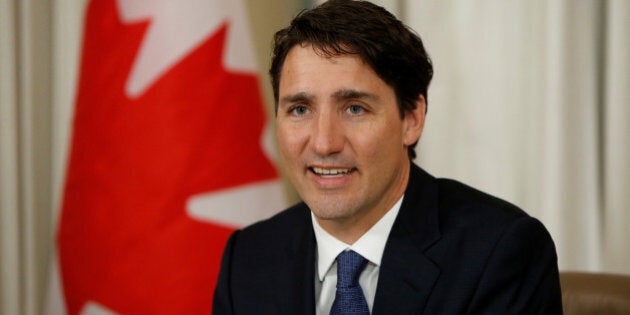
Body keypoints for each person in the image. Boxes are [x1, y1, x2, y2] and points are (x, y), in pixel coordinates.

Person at [213, 0, 563, 314]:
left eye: (354, 108)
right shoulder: (248, 259)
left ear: (411, 119)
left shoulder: (500, 253)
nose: (323, 143)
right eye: (300, 109)